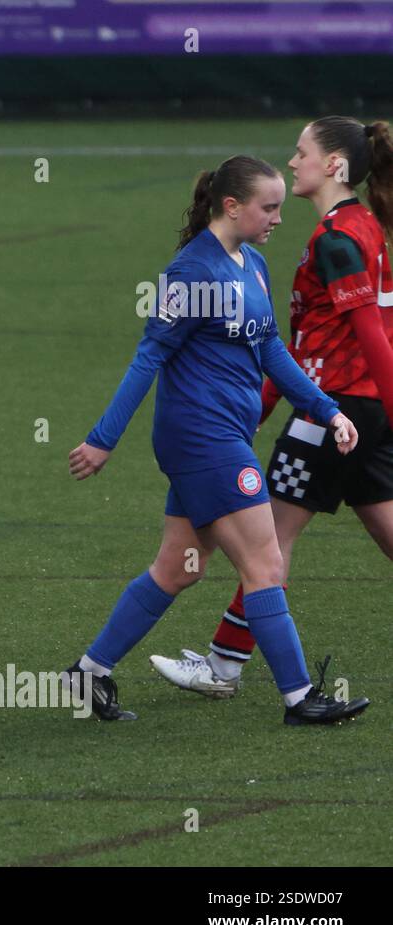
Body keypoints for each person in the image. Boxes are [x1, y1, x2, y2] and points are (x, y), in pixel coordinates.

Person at [66, 155, 370, 725]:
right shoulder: (190, 273)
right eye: (269, 207)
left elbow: (272, 351)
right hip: (202, 441)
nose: (280, 218)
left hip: (221, 437)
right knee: (264, 564)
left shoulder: (251, 263)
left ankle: (88, 673)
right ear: (232, 206)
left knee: (177, 569)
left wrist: (326, 410)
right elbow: (148, 356)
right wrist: (102, 439)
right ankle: (300, 699)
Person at [150, 118, 393, 697]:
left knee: (269, 547)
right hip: (360, 410)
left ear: (334, 165)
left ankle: (225, 668)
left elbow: (365, 335)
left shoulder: (336, 238)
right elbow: (300, 344)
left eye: (303, 152)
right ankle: (225, 664)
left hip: (334, 416)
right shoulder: (363, 225)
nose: (292, 161)